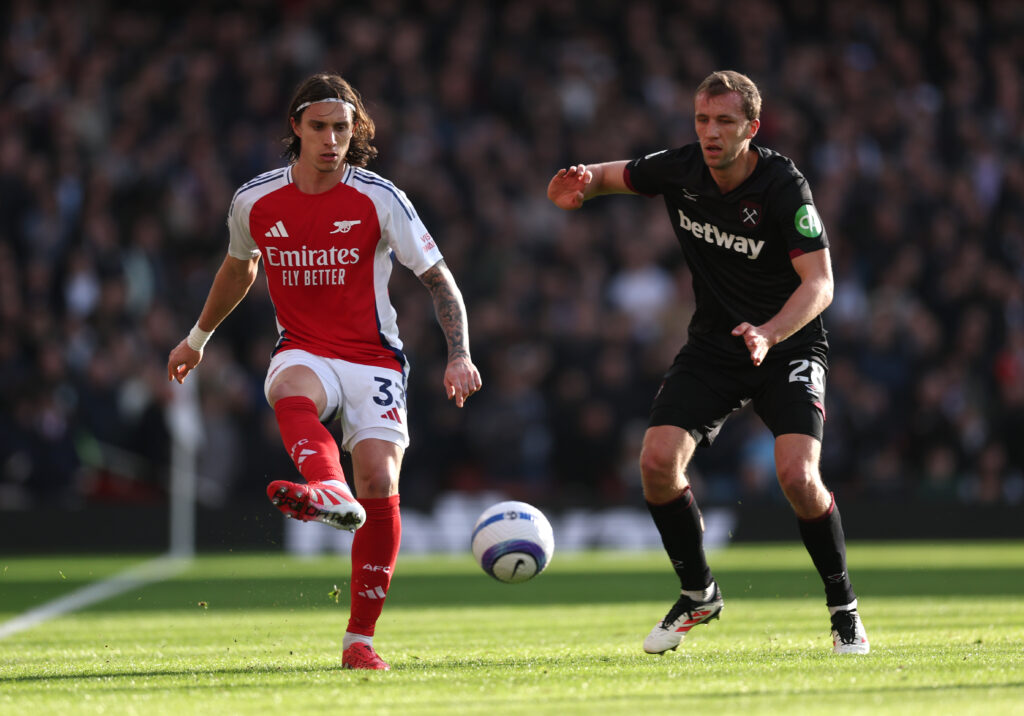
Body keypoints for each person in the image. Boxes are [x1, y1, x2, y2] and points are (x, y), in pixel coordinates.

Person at [547, 70, 869, 655]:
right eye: (702, 120)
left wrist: (771, 333)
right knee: (655, 462)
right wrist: (579, 185)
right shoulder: (681, 168)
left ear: (753, 126)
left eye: (724, 121)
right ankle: (699, 593)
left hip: (788, 343)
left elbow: (820, 285)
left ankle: (843, 608)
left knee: (798, 477)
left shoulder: (782, 186)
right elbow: (608, 177)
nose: (710, 132)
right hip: (716, 345)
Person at [167, 73, 482, 670]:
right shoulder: (254, 200)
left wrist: (459, 353)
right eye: (319, 127)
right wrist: (196, 339)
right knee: (289, 386)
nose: (331, 139)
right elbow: (240, 269)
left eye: (342, 128)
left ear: (354, 131)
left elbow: (439, 279)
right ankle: (328, 489)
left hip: (374, 357)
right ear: (296, 128)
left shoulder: (379, 197)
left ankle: (358, 639)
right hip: (305, 347)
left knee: (380, 482)